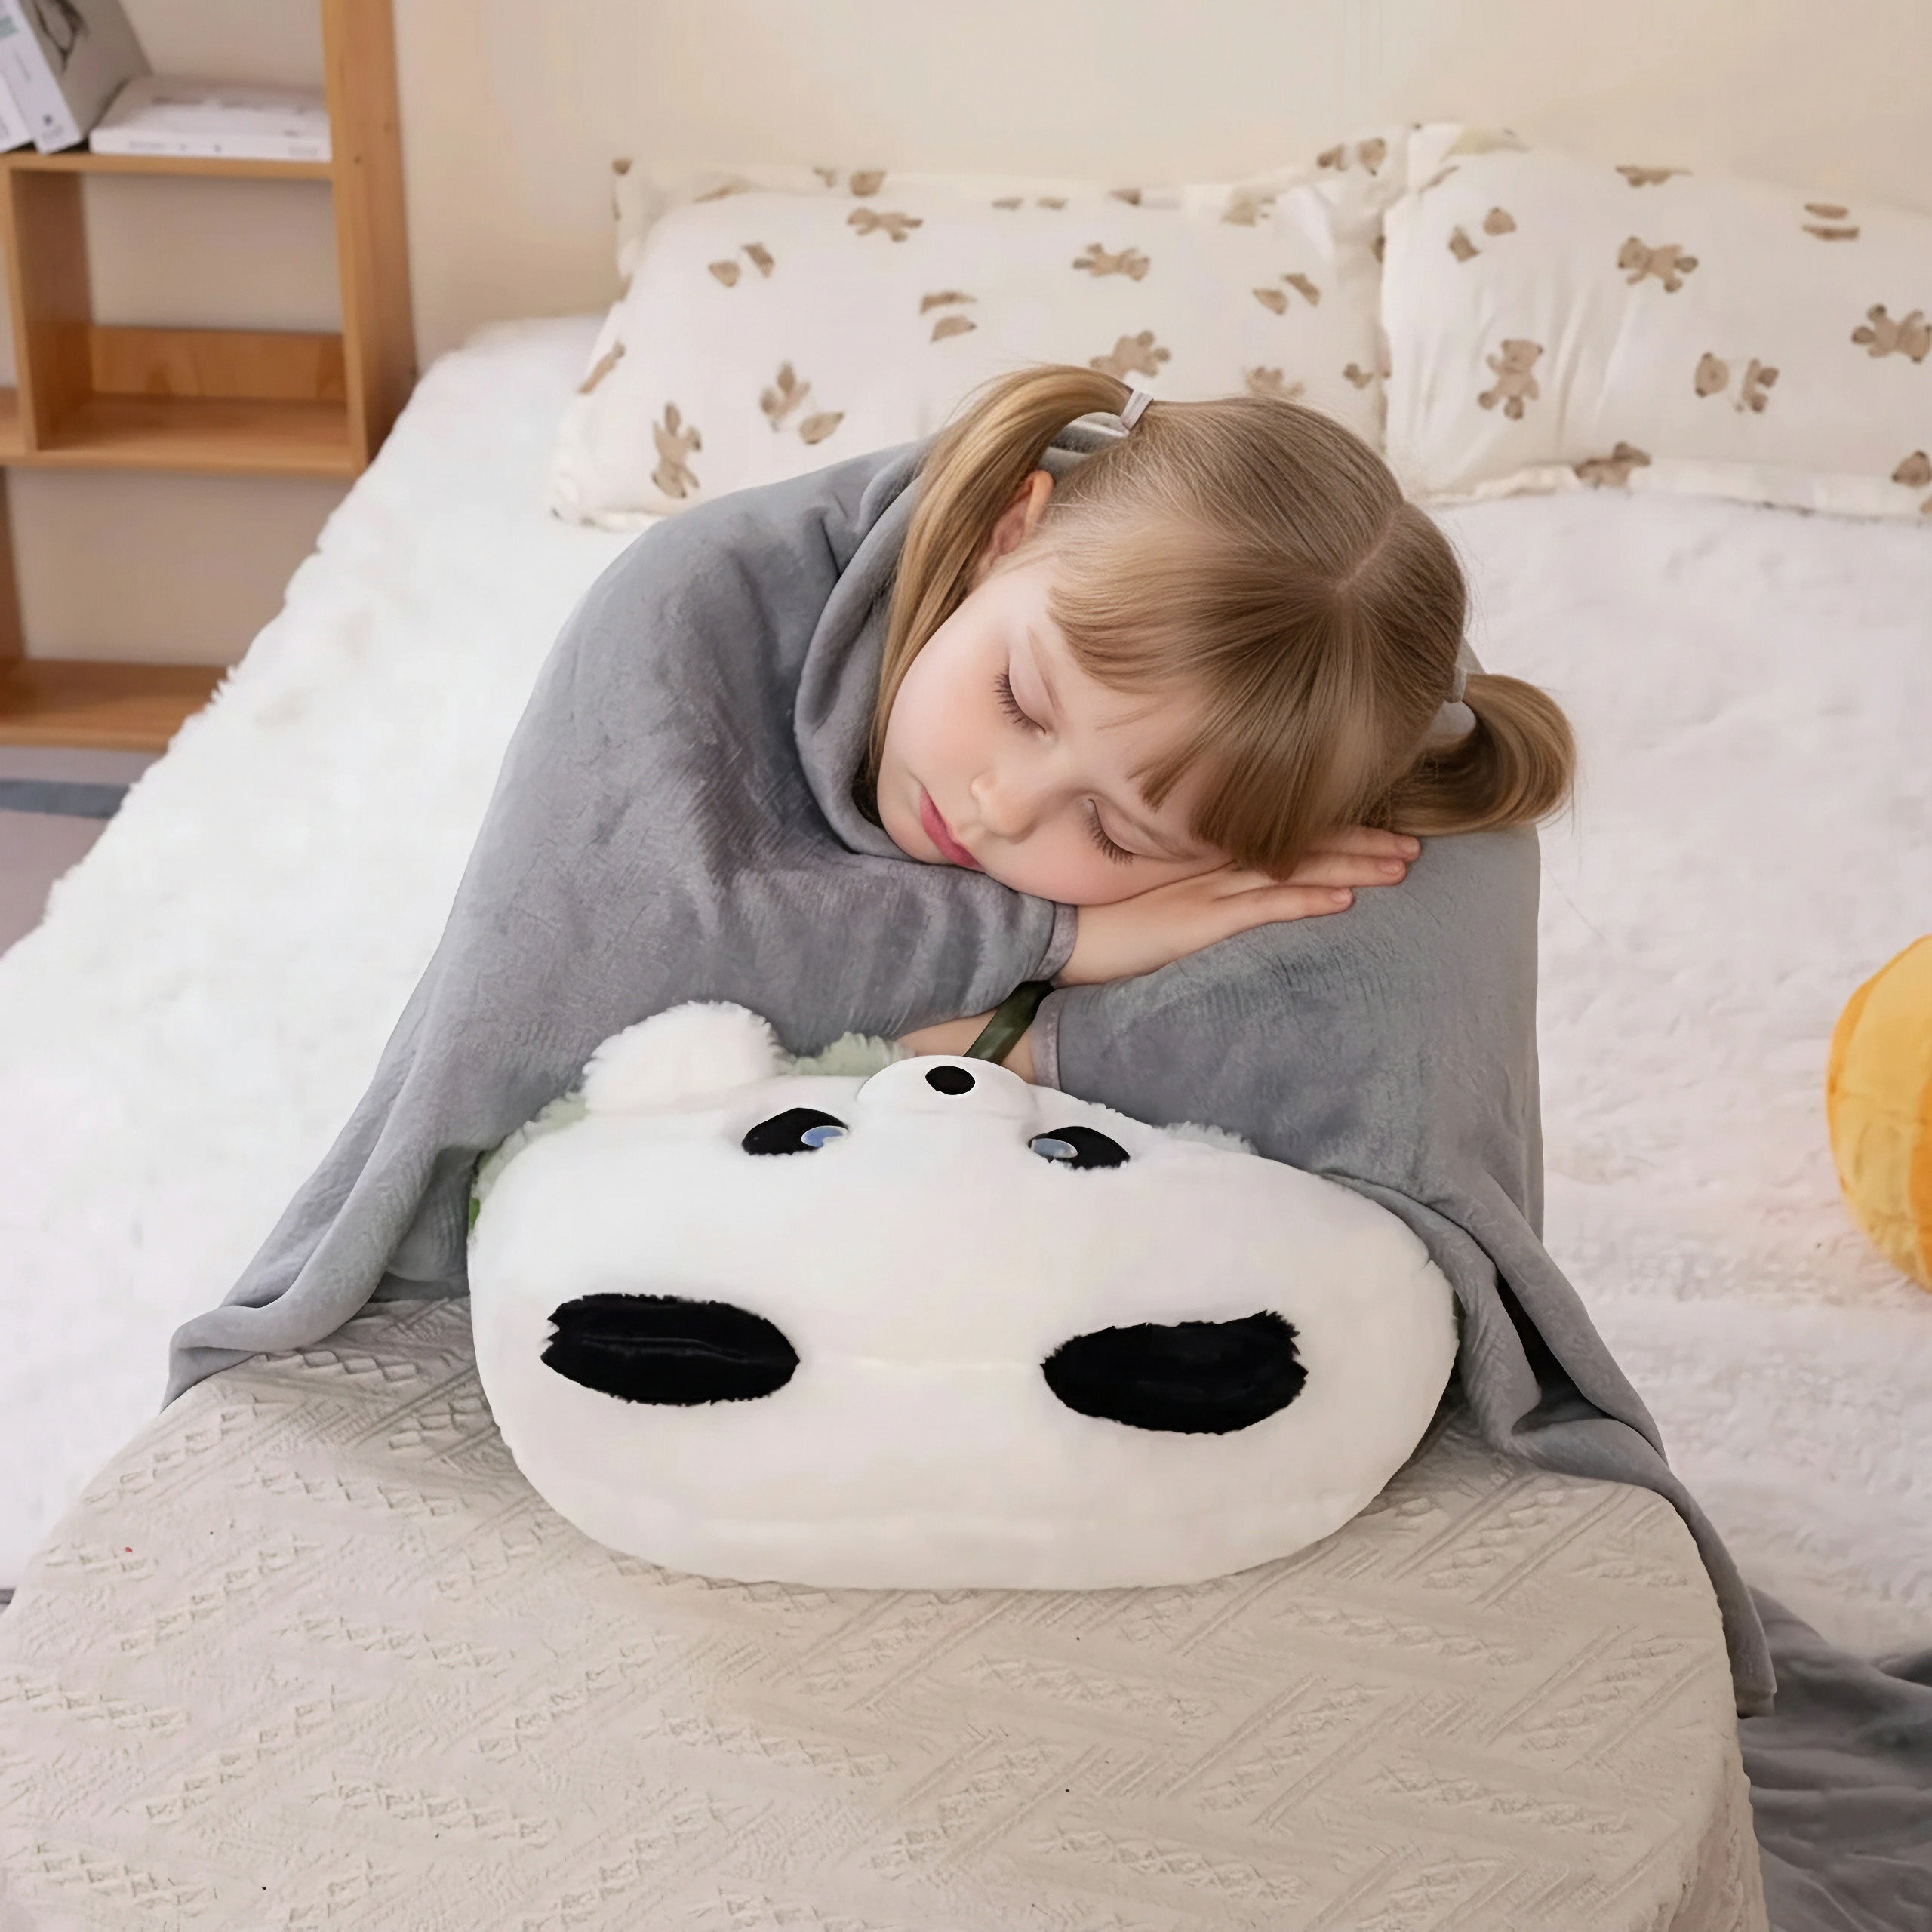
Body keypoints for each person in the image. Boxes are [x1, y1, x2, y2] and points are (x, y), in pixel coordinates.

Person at [869, 364, 1574, 1075]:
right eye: (1016, 702)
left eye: (1115, 833)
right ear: (1009, 533)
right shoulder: (780, 589)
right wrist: (1075, 943)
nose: (1003, 808)